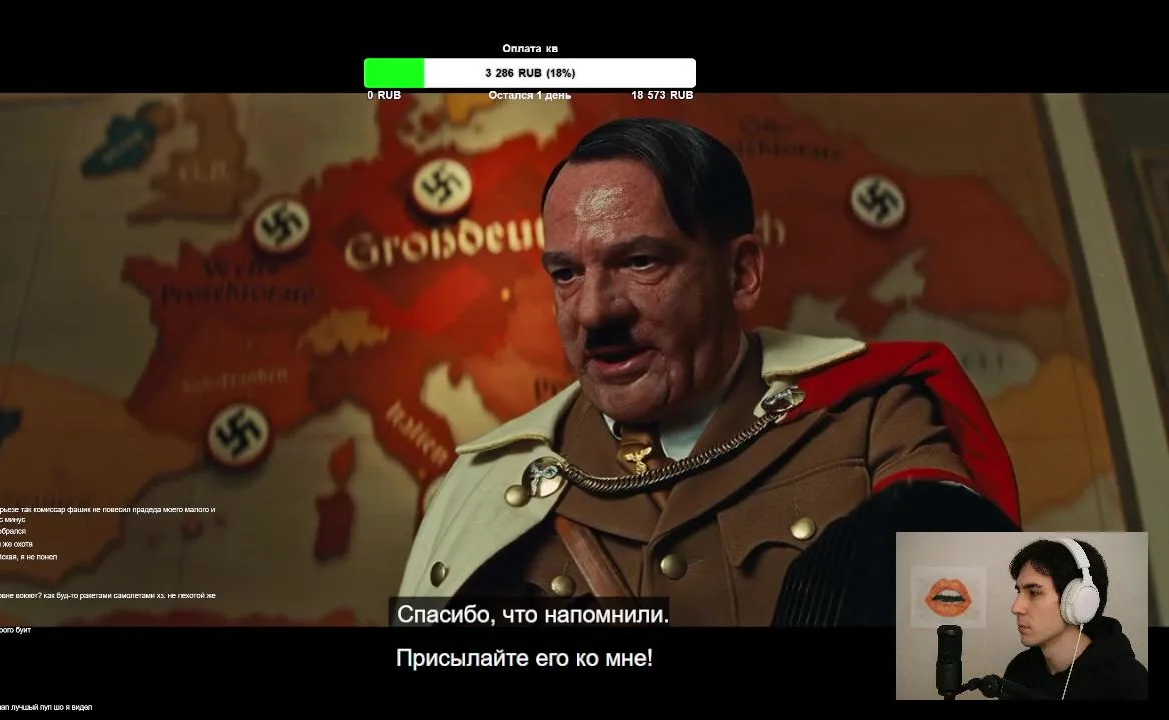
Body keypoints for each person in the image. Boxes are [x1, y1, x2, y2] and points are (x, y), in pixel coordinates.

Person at [398, 117, 1022, 626]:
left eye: (641, 262)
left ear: (741, 273)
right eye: (566, 274)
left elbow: (969, 641)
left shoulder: (874, 416)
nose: (593, 311)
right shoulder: (482, 486)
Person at [1004, 538, 1149, 700]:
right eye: (1019, 592)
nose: (1016, 608)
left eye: (1034, 593)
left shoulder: (1129, 683)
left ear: (1079, 601)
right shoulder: (1019, 670)